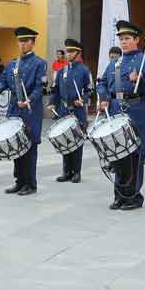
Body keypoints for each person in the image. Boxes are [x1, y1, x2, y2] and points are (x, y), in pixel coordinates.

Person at [96, 21, 145, 210]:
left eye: (127, 39)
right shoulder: (115, 62)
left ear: (136, 40)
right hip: (116, 111)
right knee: (118, 155)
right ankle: (119, 195)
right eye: (121, 39)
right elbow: (101, 83)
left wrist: (139, 81)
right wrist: (104, 98)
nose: (123, 42)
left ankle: (133, 197)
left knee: (134, 156)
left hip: (136, 111)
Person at [0, 27, 47, 196]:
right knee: (15, 144)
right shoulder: (12, 64)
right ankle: (19, 181)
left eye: (25, 41)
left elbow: (40, 87)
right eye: (20, 41)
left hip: (30, 109)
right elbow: (3, 81)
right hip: (15, 108)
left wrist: (29, 99)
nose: (22, 44)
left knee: (29, 145)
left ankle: (30, 183)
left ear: (33, 42)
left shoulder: (39, 63)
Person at [53, 39, 92, 183]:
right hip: (64, 110)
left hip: (78, 110)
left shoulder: (84, 70)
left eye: (71, 51)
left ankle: (76, 172)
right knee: (65, 140)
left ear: (78, 53)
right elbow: (55, 90)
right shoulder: (61, 70)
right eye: (67, 51)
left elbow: (89, 89)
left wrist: (83, 99)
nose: (68, 54)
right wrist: (52, 103)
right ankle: (66, 171)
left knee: (77, 141)